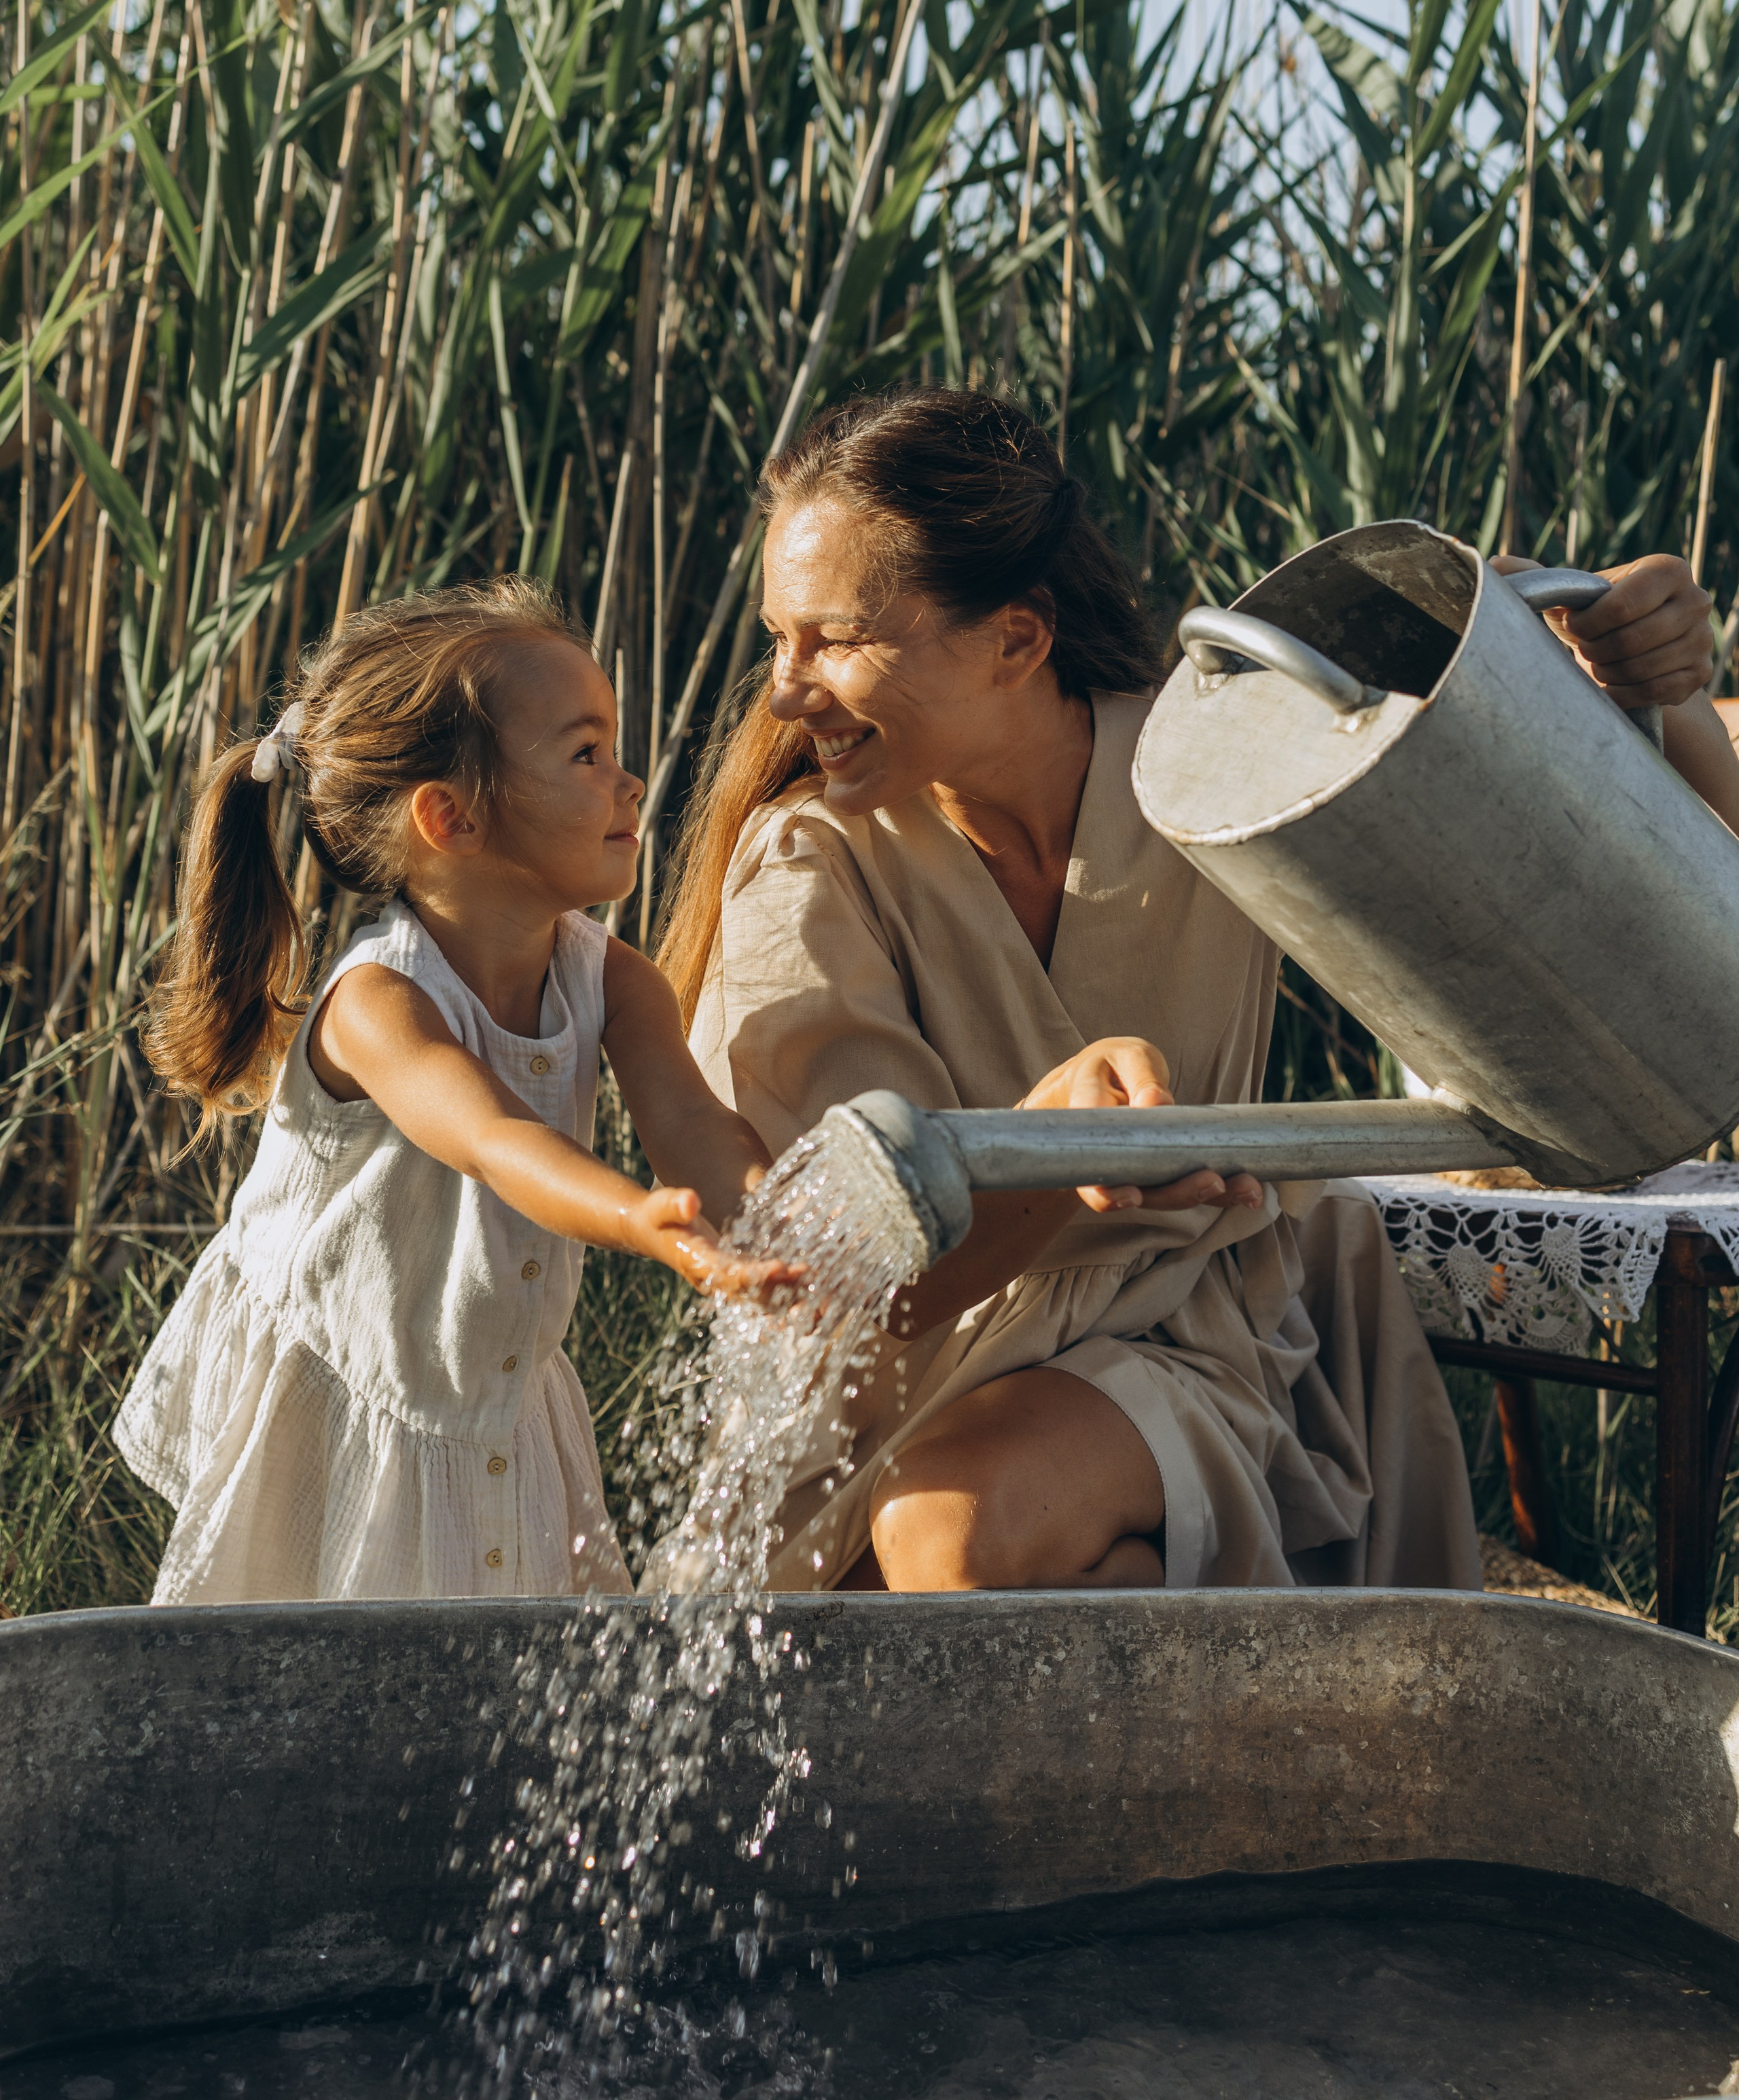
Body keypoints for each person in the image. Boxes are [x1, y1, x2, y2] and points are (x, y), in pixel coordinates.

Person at [653, 389, 1739, 1597]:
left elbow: (1666, 909)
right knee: (878, 1610)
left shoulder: (1217, 768)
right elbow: (854, 1291)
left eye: (836, 641)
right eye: (778, 638)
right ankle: (1252, 1737)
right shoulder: (806, 869)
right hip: (915, 1364)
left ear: (1017, 640)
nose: (786, 691)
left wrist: (1638, 682)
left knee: (949, 1532)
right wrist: (1054, 1152)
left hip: (1184, 1331)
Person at [116, 580, 792, 1606]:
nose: (631, 782)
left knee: (501, 1698)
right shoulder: (379, 1003)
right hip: (353, 1398)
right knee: (324, 1692)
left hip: (496, 1397)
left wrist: (778, 1222)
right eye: (586, 754)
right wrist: (641, 1220)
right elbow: (491, 1139)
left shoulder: (610, 974)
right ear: (454, 816)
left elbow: (692, 1122)